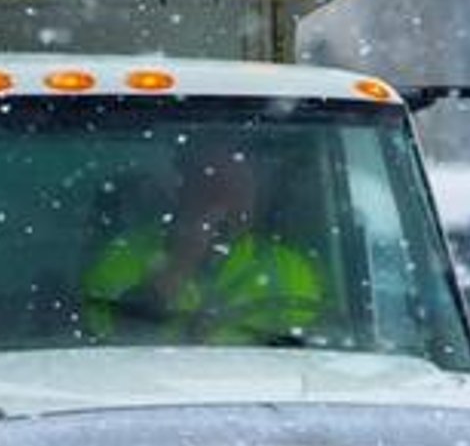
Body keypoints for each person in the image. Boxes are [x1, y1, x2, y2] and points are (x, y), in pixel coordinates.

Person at [82, 146, 326, 345]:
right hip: (148, 389)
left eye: (239, 191)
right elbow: (108, 340)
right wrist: (177, 266)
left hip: (253, 388)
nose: (228, 205)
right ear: (182, 195)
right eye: (212, 191)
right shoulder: (126, 255)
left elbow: (312, 352)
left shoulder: (284, 267)